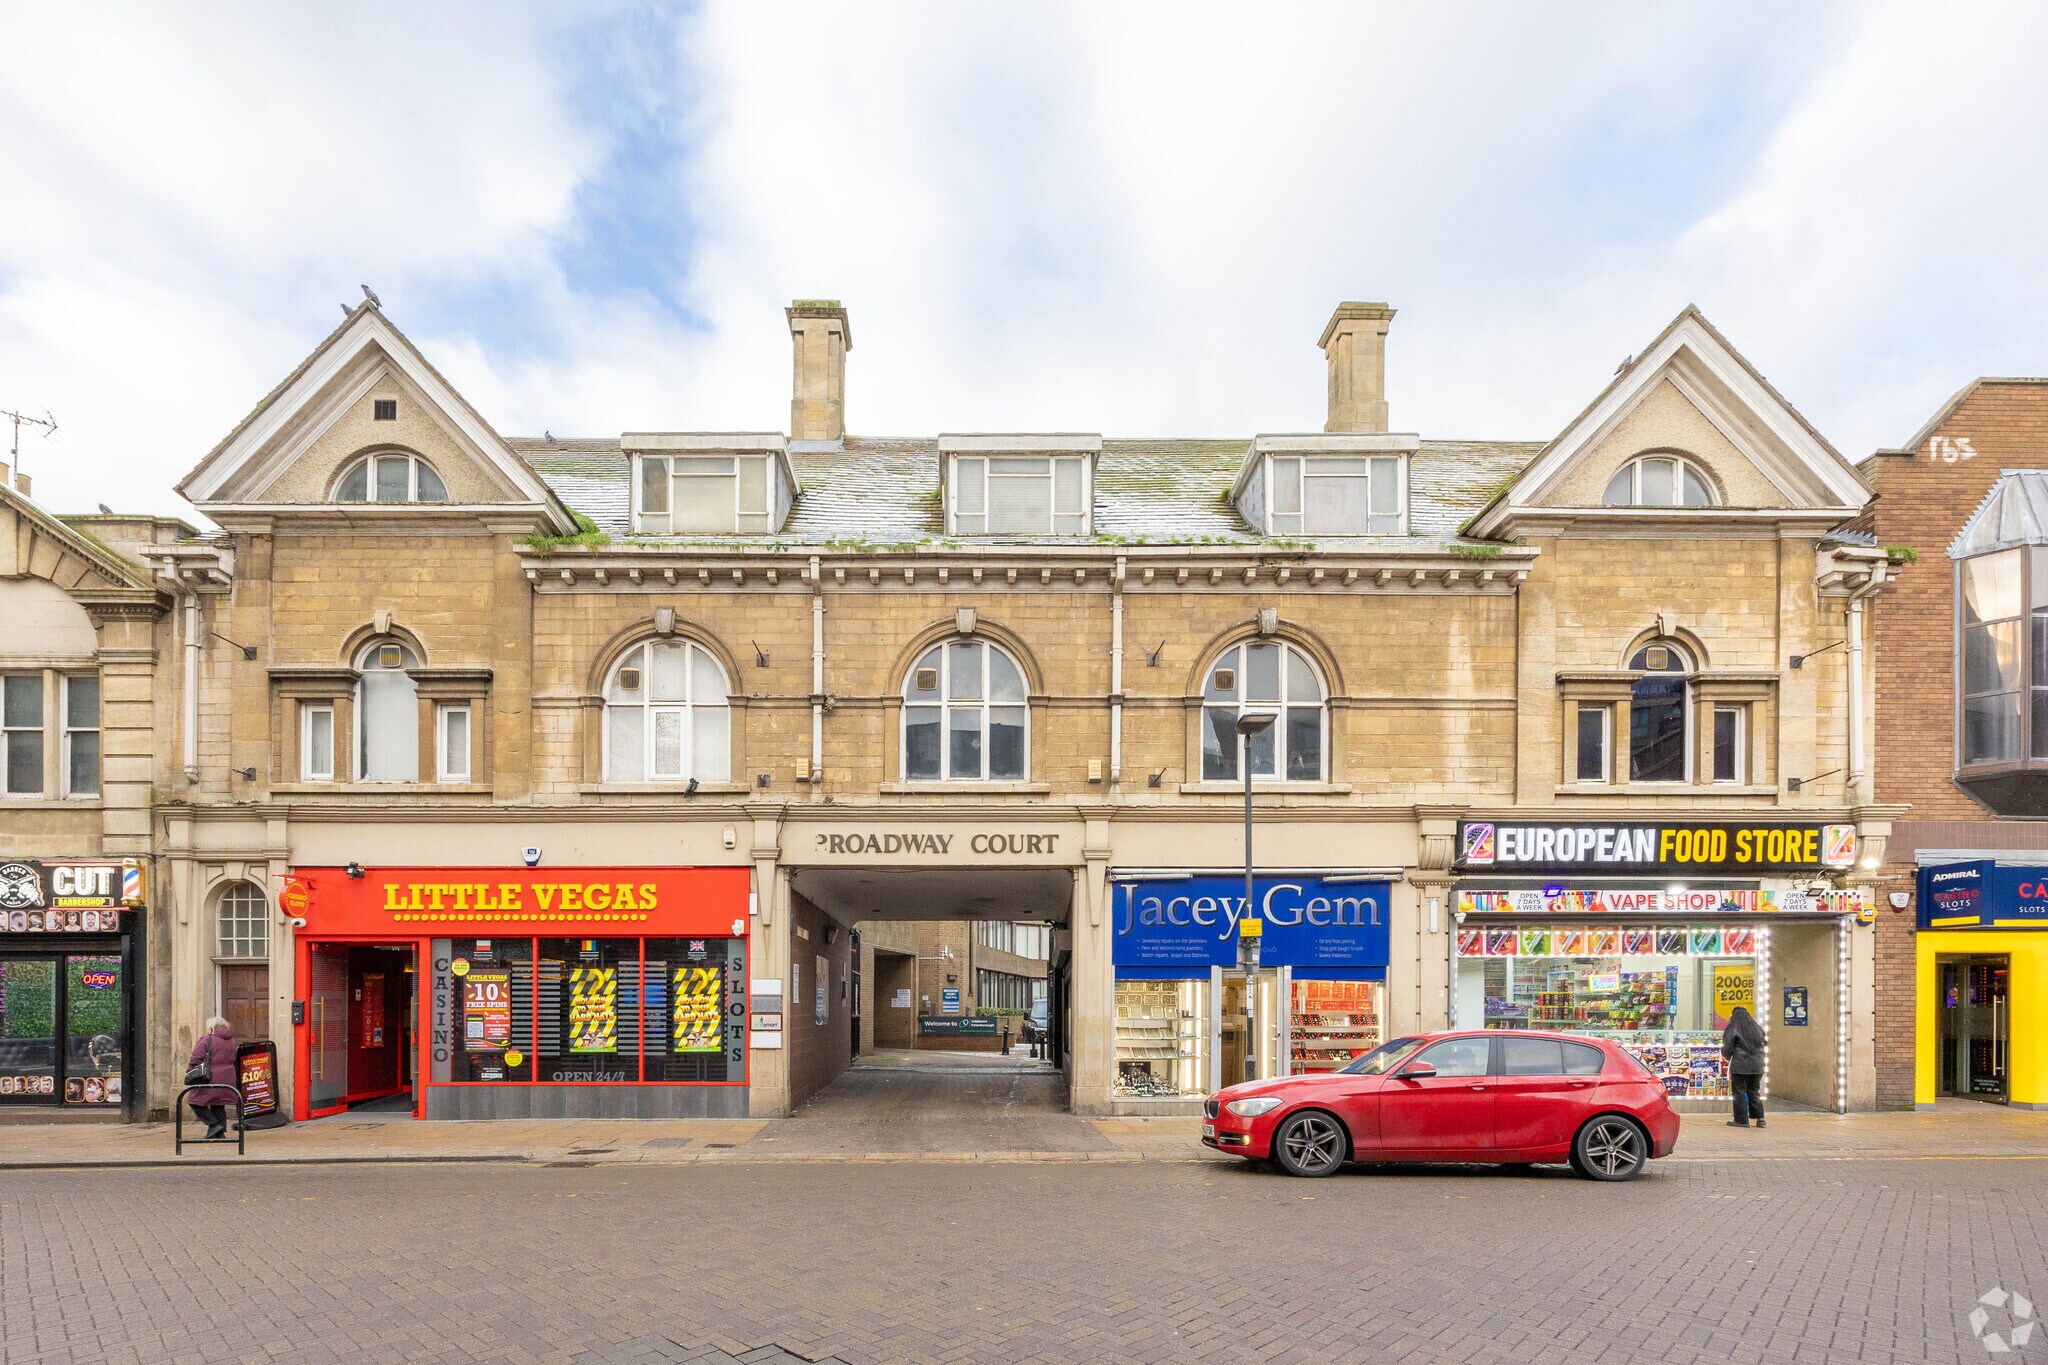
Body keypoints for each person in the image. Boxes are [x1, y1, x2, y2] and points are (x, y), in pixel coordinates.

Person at [187, 1016, 239, 1139]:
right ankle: (218, 1134)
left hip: (211, 1076)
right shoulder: (232, 1041)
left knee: (194, 1101)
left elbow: (196, 1058)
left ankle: (214, 1124)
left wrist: (190, 1070)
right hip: (228, 1077)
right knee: (218, 1103)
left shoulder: (207, 1039)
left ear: (211, 1027)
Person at [1721, 1004, 1765, 1128]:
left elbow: (1727, 1046)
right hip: (1758, 1065)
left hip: (1741, 1065)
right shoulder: (1756, 1027)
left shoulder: (1733, 1027)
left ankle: (1741, 1120)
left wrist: (1729, 1057)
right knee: (1754, 1091)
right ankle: (1760, 1118)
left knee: (1739, 1091)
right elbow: (1764, 1042)